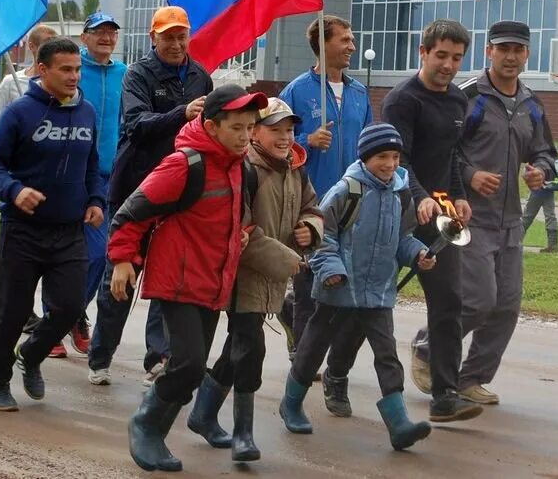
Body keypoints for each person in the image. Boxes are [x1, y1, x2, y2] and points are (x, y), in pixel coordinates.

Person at [108, 84, 267, 473]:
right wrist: (123, 260)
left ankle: (155, 435)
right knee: (190, 365)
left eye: (250, 128)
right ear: (211, 126)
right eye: (237, 128)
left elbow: (229, 219)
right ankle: (145, 425)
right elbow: (131, 214)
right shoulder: (184, 164)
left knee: (189, 367)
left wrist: (240, 235)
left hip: (213, 283)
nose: (246, 136)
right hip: (177, 280)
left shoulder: (241, 168)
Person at [279, 123, 435, 452]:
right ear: (364, 157)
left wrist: (418, 253)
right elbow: (322, 236)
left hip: (378, 293)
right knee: (312, 349)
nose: (390, 164)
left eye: (395, 156)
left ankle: (399, 424)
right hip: (338, 291)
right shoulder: (345, 191)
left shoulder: (400, 192)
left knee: (387, 356)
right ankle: (291, 404)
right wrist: (331, 270)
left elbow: (402, 239)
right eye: (382, 156)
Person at [188, 98, 322, 462]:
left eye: (289, 130)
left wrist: (310, 228)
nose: (283, 137)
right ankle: (243, 435)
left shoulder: (295, 168)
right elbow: (241, 230)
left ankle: (202, 414)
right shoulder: (246, 170)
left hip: (271, 278)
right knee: (251, 347)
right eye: (274, 129)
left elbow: (312, 207)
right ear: (255, 132)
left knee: (237, 347)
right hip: (240, 275)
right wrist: (287, 259)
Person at [87, 6, 213, 387]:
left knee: (168, 278)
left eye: (181, 36)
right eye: (168, 37)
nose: (176, 44)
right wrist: (182, 113)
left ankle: (158, 358)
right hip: (137, 188)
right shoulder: (138, 75)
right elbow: (136, 125)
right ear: (153, 38)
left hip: (182, 193)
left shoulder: (200, 76)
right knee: (122, 277)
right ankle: (100, 355)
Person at [0, 37, 105, 411]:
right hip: (22, 231)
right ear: (43, 69)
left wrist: (96, 200)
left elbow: (92, 166)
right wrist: (14, 190)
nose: (74, 76)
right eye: (65, 69)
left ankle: (30, 356)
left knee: (69, 307)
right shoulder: (19, 113)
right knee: (12, 312)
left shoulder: (87, 112)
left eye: (77, 69)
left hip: (69, 231)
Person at [380, 19, 479, 422]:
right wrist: (418, 197)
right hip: (397, 211)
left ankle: (445, 394)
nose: (449, 65)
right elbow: (396, 159)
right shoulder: (403, 99)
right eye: (441, 56)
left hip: (440, 218)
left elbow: (452, 156)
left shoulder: (458, 100)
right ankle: (331, 372)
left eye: (457, 58)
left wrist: (458, 195)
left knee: (449, 301)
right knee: (368, 303)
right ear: (423, 53)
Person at [453, 21, 556, 406]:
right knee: (479, 300)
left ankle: (471, 378)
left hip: (510, 221)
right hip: (468, 218)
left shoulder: (532, 103)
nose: (511, 56)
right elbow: (443, 149)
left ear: (527, 54)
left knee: (507, 305)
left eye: (518, 49)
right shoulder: (467, 96)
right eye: (503, 48)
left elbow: (546, 152)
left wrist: (540, 171)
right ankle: (429, 349)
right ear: (489, 52)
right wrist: (470, 175)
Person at [278, 15, 372, 362]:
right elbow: (272, 141)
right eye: (344, 40)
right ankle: (305, 357)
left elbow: (369, 144)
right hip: (310, 203)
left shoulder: (360, 92)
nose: (352, 46)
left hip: (350, 204)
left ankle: (289, 315)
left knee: (340, 282)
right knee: (308, 287)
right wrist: (305, 140)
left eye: (351, 39)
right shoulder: (297, 91)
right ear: (323, 44)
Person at [41, 12, 127, 358]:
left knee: (98, 255)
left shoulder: (125, 74)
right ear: (85, 38)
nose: (106, 38)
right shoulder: (74, 72)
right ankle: (52, 326)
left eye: (111, 33)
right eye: (99, 32)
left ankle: (73, 313)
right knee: (59, 253)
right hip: (67, 176)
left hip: (109, 178)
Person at [0, 22, 58, 333]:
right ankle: (11, 305)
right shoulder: (11, 85)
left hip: (50, 171)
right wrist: (15, 121)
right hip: (18, 170)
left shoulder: (64, 87)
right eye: (46, 47)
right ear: (33, 50)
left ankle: (18, 302)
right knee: (16, 246)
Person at [0, 24, 58, 133]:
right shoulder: (11, 81)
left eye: (56, 43)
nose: (53, 48)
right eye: (47, 43)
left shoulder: (62, 82)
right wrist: (19, 120)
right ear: (32, 46)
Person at [521, 157, 558, 253]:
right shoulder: (552, 158)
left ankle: (516, 242)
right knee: (550, 216)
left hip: (538, 191)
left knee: (527, 217)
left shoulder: (536, 158)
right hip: (549, 190)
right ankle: (553, 245)